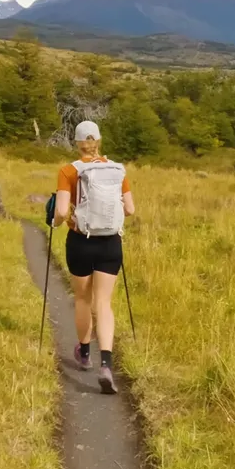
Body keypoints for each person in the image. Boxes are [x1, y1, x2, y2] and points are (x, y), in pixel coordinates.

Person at [51, 120, 135, 394]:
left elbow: (62, 211)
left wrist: (55, 220)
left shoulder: (68, 171)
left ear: (77, 143)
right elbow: (131, 209)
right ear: (99, 141)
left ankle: (85, 353)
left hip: (80, 242)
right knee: (104, 303)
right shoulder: (117, 170)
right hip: (111, 242)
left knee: (83, 298)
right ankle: (107, 363)